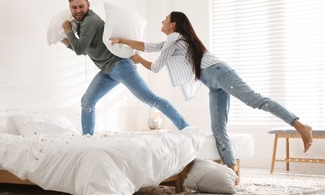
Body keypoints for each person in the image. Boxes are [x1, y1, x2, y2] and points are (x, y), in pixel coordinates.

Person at [110, 11, 313, 174]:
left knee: (255, 100)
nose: (162, 21)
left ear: (173, 25)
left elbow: (155, 67)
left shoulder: (175, 37)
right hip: (213, 82)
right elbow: (149, 46)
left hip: (218, 72)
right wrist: (124, 41)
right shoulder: (174, 40)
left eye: (165, 19)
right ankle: (230, 169)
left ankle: (300, 125)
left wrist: (137, 60)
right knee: (218, 128)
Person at [60, 0, 189, 135]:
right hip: (108, 70)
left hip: (121, 66)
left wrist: (68, 31)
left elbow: (79, 49)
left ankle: (187, 128)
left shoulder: (89, 21)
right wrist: (66, 41)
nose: (78, 11)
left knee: (151, 99)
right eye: (74, 8)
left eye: (81, 6)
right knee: (87, 101)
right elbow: (85, 50)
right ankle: (87, 139)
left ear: (88, 5)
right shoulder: (82, 24)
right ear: (70, 8)